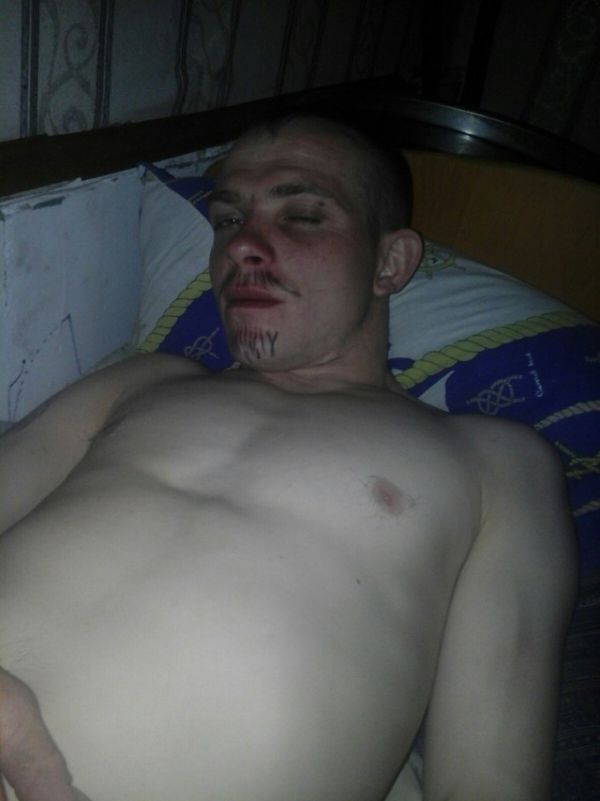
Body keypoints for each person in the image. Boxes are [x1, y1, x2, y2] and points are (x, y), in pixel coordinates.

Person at [0, 114, 577, 801]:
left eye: (302, 215)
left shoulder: (495, 460)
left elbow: (489, 780)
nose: (242, 245)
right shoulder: (145, 380)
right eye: (227, 220)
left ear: (390, 263)